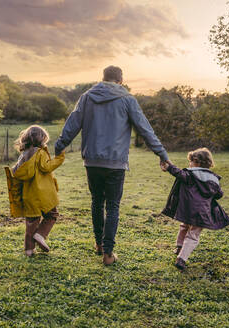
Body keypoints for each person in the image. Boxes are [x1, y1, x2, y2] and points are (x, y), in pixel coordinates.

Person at [54, 65, 169, 265]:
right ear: (121, 81)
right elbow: (145, 129)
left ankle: (99, 245)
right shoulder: (127, 99)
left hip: (92, 161)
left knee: (97, 202)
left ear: (103, 78)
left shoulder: (87, 97)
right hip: (116, 163)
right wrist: (162, 154)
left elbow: (72, 123)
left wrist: (59, 146)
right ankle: (108, 254)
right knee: (113, 206)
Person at [161, 148, 229, 270]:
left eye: (191, 162)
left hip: (188, 210)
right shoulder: (214, 178)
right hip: (203, 213)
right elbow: (219, 194)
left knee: (184, 225)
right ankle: (181, 258)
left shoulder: (191, 175)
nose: (189, 164)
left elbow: (179, 173)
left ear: (197, 162)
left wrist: (169, 166)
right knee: (193, 235)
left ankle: (179, 247)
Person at [5, 125, 65, 257]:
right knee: (52, 215)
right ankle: (40, 234)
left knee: (32, 221)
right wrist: (60, 158)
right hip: (44, 194)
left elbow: (17, 174)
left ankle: (29, 250)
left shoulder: (23, 156)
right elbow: (46, 167)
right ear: (41, 139)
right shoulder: (40, 153)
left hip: (29, 195)